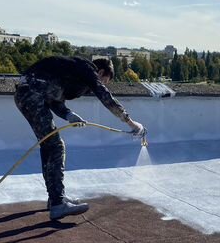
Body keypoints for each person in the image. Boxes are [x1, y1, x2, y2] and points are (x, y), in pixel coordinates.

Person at [14, 56, 145, 220]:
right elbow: (105, 96)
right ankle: (57, 204)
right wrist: (131, 123)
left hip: (26, 94)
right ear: (101, 72)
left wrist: (69, 114)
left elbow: (54, 98)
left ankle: (55, 197)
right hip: (32, 94)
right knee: (55, 147)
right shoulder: (87, 70)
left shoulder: (71, 71)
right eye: (104, 80)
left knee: (49, 145)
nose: (102, 84)